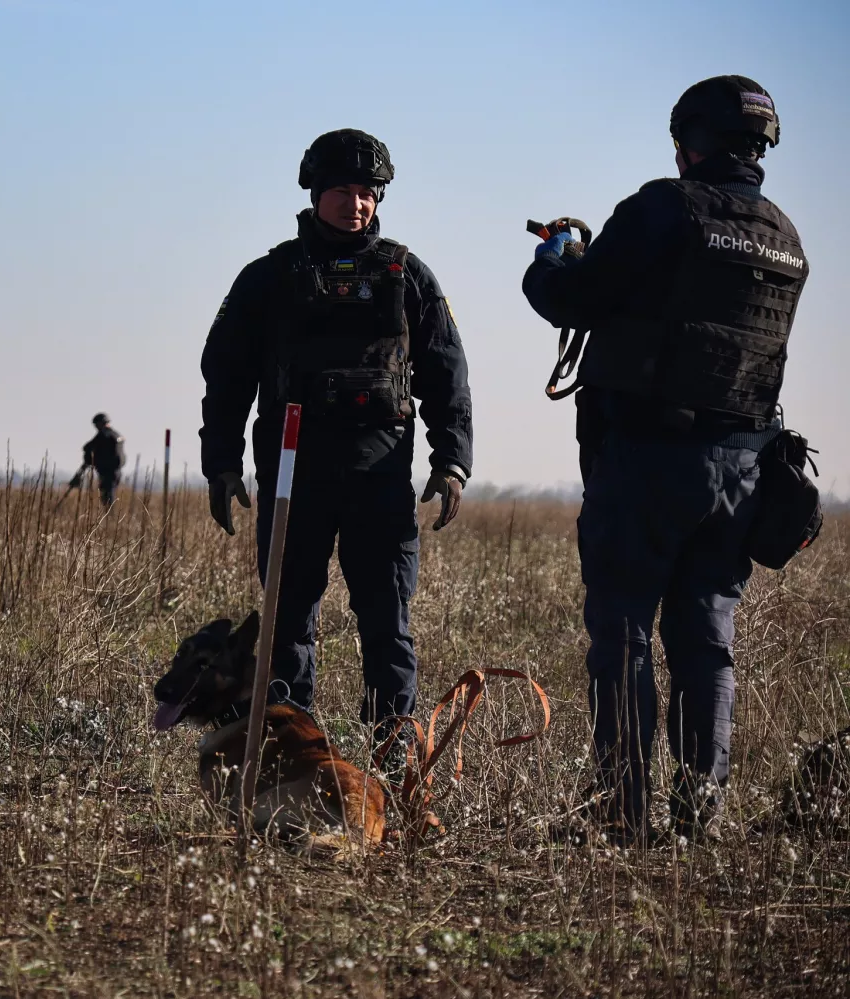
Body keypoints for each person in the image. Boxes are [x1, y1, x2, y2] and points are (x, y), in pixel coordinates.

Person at [522, 76, 807, 844]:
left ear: (693, 141)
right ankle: (698, 816)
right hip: (744, 472)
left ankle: (623, 813)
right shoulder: (785, 237)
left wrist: (557, 254)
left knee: (623, 634)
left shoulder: (661, 206)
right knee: (708, 642)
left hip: (649, 460)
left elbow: (575, 298)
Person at [200, 129, 473, 740]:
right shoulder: (270, 276)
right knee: (288, 619)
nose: (358, 204)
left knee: (387, 621)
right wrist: (220, 462)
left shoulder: (407, 274)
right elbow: (225, 373)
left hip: (379, 474)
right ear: (316, 192)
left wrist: (452, 460)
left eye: (368, 193)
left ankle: (394, 756)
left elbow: (446, 369)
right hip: (293, 468)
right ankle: (290, 747)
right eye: (344, 192)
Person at [70, 413, 125, 506]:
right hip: (116, 471)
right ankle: (110, 516)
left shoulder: (104, 435)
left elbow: (87, 447)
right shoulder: (116, 435)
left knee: (107, 497)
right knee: (109, 494)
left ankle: (109, 517)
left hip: (107, 471)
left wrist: (91, 457)